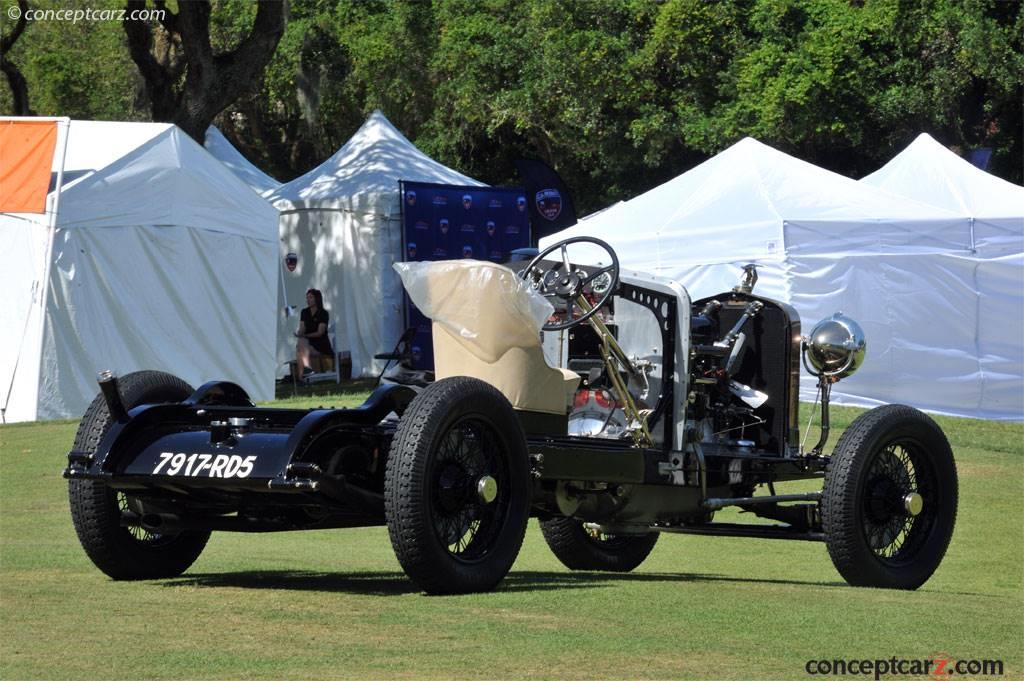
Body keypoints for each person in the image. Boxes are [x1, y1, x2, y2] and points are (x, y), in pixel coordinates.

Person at [294, 288, 333, 380]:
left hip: (320, 344)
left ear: (317, 299)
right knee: (301, 345)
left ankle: (302, 377)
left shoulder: (323, 313)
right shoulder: (304, 312)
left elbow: (320, 333)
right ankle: (306, 371)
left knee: (300, 348)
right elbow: (302, 328)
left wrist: (304, 336)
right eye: (307, 298)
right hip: (307, 343)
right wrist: (299, 333)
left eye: (310, 297)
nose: (308, 300)